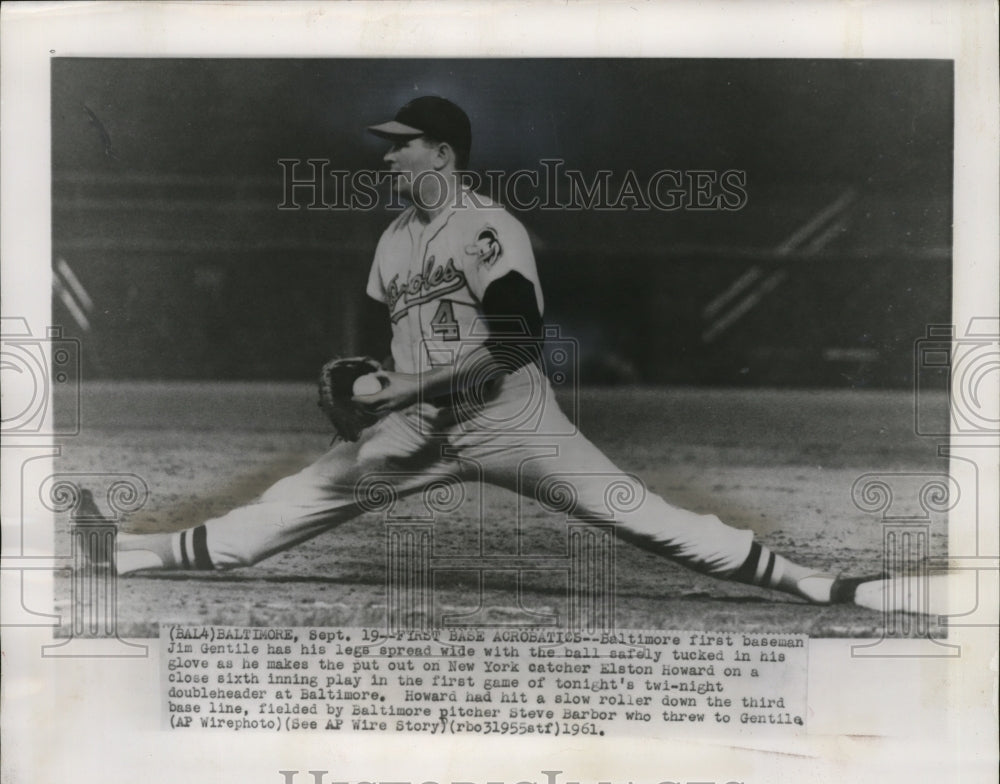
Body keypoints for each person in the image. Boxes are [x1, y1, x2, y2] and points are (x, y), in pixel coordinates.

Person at [96, 95, 897, 612]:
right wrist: (375, 389)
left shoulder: (489, 229)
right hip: (415, 434)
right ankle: (125, 554)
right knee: (280, 511)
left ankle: (818, 583)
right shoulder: (392, 240)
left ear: (442, 155)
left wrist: (403, 389)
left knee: (649, 521)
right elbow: (400, 346)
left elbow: (517, 343)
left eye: (401, 145)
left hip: (514, 426)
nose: (386, 157)